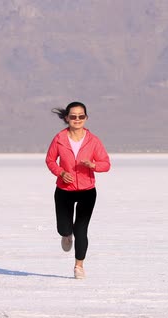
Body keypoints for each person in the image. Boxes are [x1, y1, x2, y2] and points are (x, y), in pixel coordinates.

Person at [45, 101, 111, 279]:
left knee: (81, 229)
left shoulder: (93, 141)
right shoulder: (59, 139)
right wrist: (60, 172)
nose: (77, 119)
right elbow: (50, 160)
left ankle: (79, 266)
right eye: (73, 116)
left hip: (87, 191)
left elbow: (106, 164)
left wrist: (93, 165)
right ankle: (66, 235)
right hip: (64, 190)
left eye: (81, 116)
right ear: (67, 118)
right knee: (64, 228)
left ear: (86, 118)